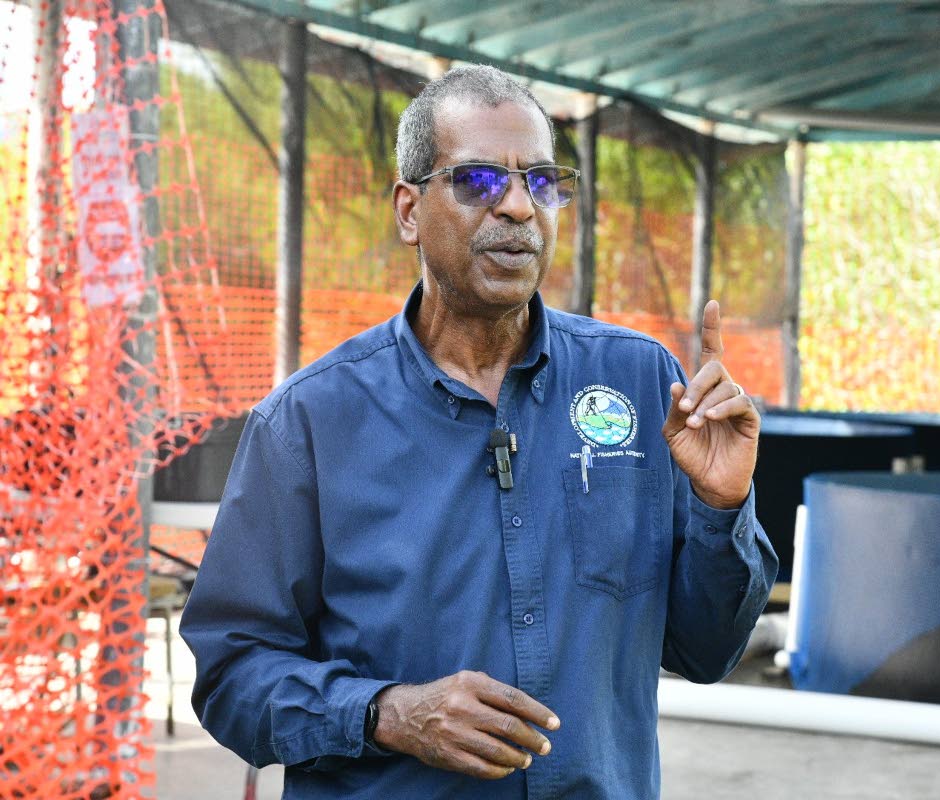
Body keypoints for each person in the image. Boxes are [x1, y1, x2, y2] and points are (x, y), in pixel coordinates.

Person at [180, 64, 778, 799]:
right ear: (408, 210)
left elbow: (709, 650)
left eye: (543, 181)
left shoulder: (645, 385)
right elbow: (231, 674)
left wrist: (724, 509)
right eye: (480, 182)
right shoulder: (310, 421)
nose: (521, 208)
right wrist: (388, 713)